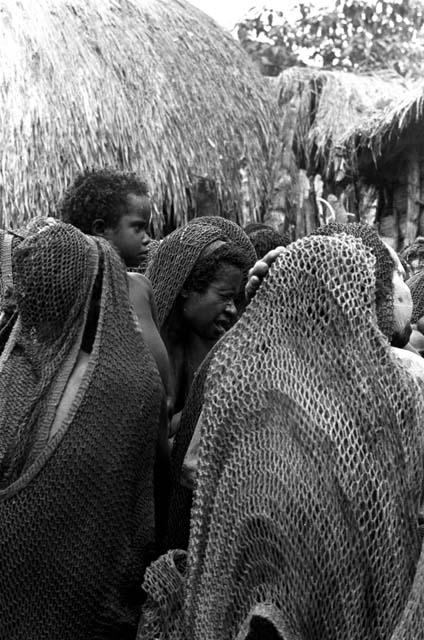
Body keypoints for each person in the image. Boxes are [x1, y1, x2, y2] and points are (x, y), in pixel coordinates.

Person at [139, 233, 424, 640]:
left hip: (253, 582)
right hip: (354, 595)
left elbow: (192, 470)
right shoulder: (398, 384)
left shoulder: (240, 373)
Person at [0, 223, 164, 639]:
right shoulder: (133, 380)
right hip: (91, 601)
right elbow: (146, 499)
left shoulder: (10, 368)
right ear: (106, 292)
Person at [59, 167, 170, 397]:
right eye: (138, 228)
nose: (147, 239)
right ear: (101, 230)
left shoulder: (141, 287)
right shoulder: (77, 292)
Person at [145, 221, 254, 438]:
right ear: (187, 287)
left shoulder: (212, 345)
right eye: (224, 297)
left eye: (234, 299)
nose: (232, 309)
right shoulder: (143, 346)